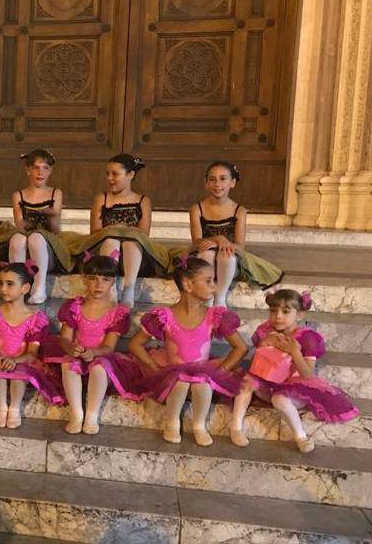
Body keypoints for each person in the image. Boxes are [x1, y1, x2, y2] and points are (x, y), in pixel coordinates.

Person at [128, 257, 247, 446]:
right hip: (173, 371)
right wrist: (152, 365)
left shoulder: (214, 316)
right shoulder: (164, 316)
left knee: (202, 383)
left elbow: (241, 347)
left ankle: (199, 425)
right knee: (181, 381)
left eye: (214, 281)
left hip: (202, 371)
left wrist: (221, 371)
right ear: (188, 284)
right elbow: (134, 344)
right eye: (208, 281)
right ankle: (172, 421)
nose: (215, 287)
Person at [230, 289, 358, 453]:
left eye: (285, 311)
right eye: (273, 311)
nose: (278, 316)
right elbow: (261, 360)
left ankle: (300, 436)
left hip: (294, 388)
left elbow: (307, 375)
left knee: (279, 399)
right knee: (246, 383)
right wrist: (264, 343)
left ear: (299, 315)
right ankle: (236, 428)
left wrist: (295, 351)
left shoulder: (308, 338)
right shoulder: (266, 331)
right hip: (267, 381)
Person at [42, 252, 142, 434]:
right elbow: (64, 338)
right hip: (78, 354)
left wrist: (93, 353)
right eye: (93, 278)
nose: (99, 284)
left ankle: (91, 415)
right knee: (67, 364)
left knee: (99, 367)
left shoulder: (116, 313)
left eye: (105, 279)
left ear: (113, 282)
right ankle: (76, 413)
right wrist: (71, 347)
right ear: (84, 279)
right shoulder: (74, 307)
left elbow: (109, 347)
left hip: (101, 356)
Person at [0, 262, 64, 429]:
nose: (3, 289)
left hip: (22, 361)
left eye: (10, 284)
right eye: (1, 283)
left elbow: (31, 354)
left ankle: (14, 408)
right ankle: (1, 407)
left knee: (19, 372)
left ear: (24, 288)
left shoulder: (35, 319)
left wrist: (15, 360)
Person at [73, 154, 170, 308]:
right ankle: (109, 287)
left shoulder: (142, 201)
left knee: (131, 241)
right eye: (108, 174)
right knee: (111, 239)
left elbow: (143, 234)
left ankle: (128, 289)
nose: (110, 178)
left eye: (115, 174)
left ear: (130, 175)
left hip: (133, 257)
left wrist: (122, 230)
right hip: (107, 252)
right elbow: (95, 232)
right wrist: (113, 232)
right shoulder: (102, 199)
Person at [182, 161, 284, 305]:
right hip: (205, 257)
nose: (217, 184)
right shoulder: (197, 208)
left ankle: (220, 297)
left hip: (229, 260)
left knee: (227, 255)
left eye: (223, 179)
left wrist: (225, 243)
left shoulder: (239, 211)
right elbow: (197, 242)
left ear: (233, 182)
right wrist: (218, 239)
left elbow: (240, 246)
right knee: (207, 253)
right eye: (212, 179)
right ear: (206, 183)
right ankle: (207, 296)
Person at [0, 150, 75, 305]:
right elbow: (20, 224)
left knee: (36, 238)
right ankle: (16, 283)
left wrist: (47, 216)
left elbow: (55, 229)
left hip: (47, 246)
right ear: (28, 170)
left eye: (45, 168)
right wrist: (38, 217)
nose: (40, 172)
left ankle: (39, 287)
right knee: (17, 238)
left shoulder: (55, 193)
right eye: (36, 167)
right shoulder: (19, 195)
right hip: (26, 241)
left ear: (50, 170)